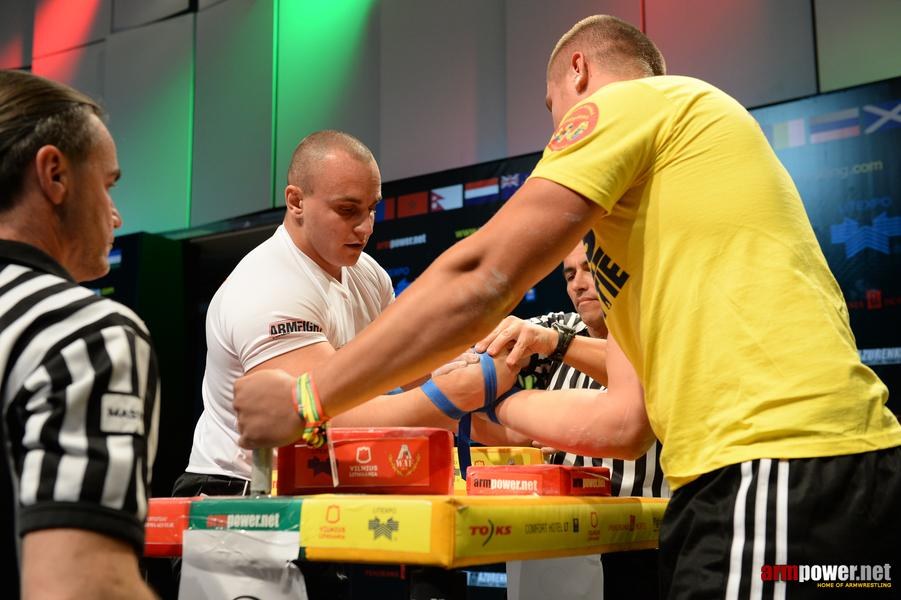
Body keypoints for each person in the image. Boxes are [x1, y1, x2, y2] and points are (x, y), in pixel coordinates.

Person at [234, 15, 901, 597]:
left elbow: (482, 273)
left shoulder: (636, 102)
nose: (558, 135)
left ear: (578, 72)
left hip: (777, 467)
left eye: (552, 110)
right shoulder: (650, 234)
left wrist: (306, 398)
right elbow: (624, 422)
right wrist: (482, 398)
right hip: (799, 474)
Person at [177, 130, 517, 497]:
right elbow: (320, 417)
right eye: (347, 210)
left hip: (317, 486)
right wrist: (451, 394)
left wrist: (513, 431)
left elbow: (413, 372)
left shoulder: (368, 274)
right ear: (295, 202)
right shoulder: (268, 285)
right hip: (238, 491)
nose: (366, 226)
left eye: (372, 209)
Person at [0, 69, 159, 599]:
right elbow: (81, 586)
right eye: (107, 183)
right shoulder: (83, 333)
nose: (114, 214)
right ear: (55, 175)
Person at [495, 242, 668, 600]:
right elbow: (495, 356)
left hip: (641, 543)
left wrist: (557, 345)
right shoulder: (559, 324)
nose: (578, 283)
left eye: (589, 269)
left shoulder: (658, 328)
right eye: (570, 274)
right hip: (559, 538)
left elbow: (636, 379)